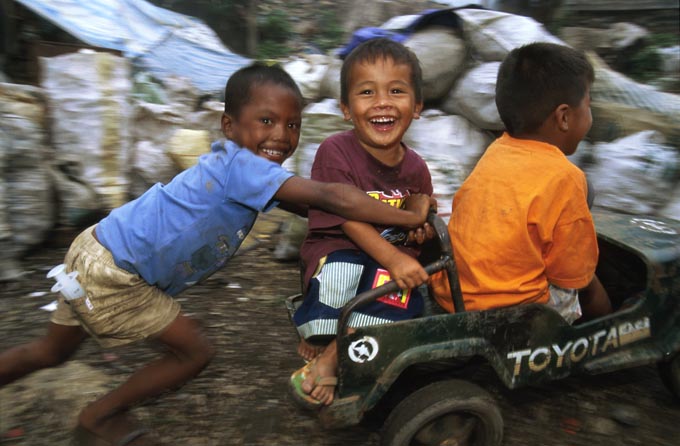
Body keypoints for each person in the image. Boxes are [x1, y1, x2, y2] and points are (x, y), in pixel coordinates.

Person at [0, 62, 435, 446]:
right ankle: (99, 417)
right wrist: (403, 216)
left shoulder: (245, 169)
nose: (280, 136)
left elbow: (315, 204)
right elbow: (332, 197)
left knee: (50, 352)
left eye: (292, 125)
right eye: (266, 120)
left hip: (94, 248)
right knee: (194, 353)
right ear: (229, 125)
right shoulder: (242, 168)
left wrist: (385, 212)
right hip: (117, 275)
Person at [289, 38, 433, 408]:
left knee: (402, 295)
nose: (382, 102)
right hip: (338, 245)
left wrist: (419, 231)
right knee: (342, 273)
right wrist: (397, 258)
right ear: (346, 109)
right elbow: (348, 220)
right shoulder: (335, 151)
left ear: (416, 106)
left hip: (384, 258)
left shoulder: (416, 166)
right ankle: (323, 333)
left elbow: (417, 221)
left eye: (396, 91)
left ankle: (333, 349)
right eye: (367, 92)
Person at [429, 42, 612, 323]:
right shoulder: (566, 177)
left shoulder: (497, 150)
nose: (591, 114)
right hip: (510, 315)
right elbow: (573, 276)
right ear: (564, 117)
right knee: (584, 292)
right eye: (588, 105)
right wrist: (605, 313)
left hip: (452, 296)